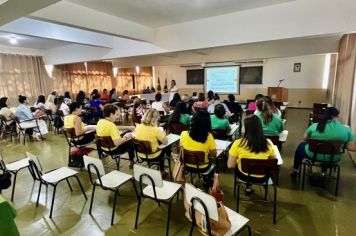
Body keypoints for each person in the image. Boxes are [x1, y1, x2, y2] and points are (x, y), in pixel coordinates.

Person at [291, 107, 356, 178]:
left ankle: (295, 170)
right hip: (333, 157)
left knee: (301, 146)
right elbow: (352, 147)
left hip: (312, 155)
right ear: (337, 116)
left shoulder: (315, 126)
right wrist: (342, 145)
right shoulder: (345, 129)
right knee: (328, 152)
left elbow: (305, 138)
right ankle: (323, 172)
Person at [228, 115, 276, 194]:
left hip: (244, 176)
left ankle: (248, 186)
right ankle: (249, 187)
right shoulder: (267, 144)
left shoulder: (238, 143)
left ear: (246, 129)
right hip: (263, 177)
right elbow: (273, 161)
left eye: (243, 126)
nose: (242, 127)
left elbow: (230, 165)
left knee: (238, 164)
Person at [180, 110, 217, 182]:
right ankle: (208, 182)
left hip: (186, 165)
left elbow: (182, 149)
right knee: (214, 162)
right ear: (207, 122)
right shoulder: (209, 136)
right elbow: (214, 154)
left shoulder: (183, 134)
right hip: (203, 167)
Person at [134, 108, 169, 175]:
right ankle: (161, 170)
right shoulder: (156, 129)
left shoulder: (138, 127)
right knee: (165, 147)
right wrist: (163, 132)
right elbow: (165, 142)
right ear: (155, 118)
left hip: (140, 155)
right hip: (154, 156)